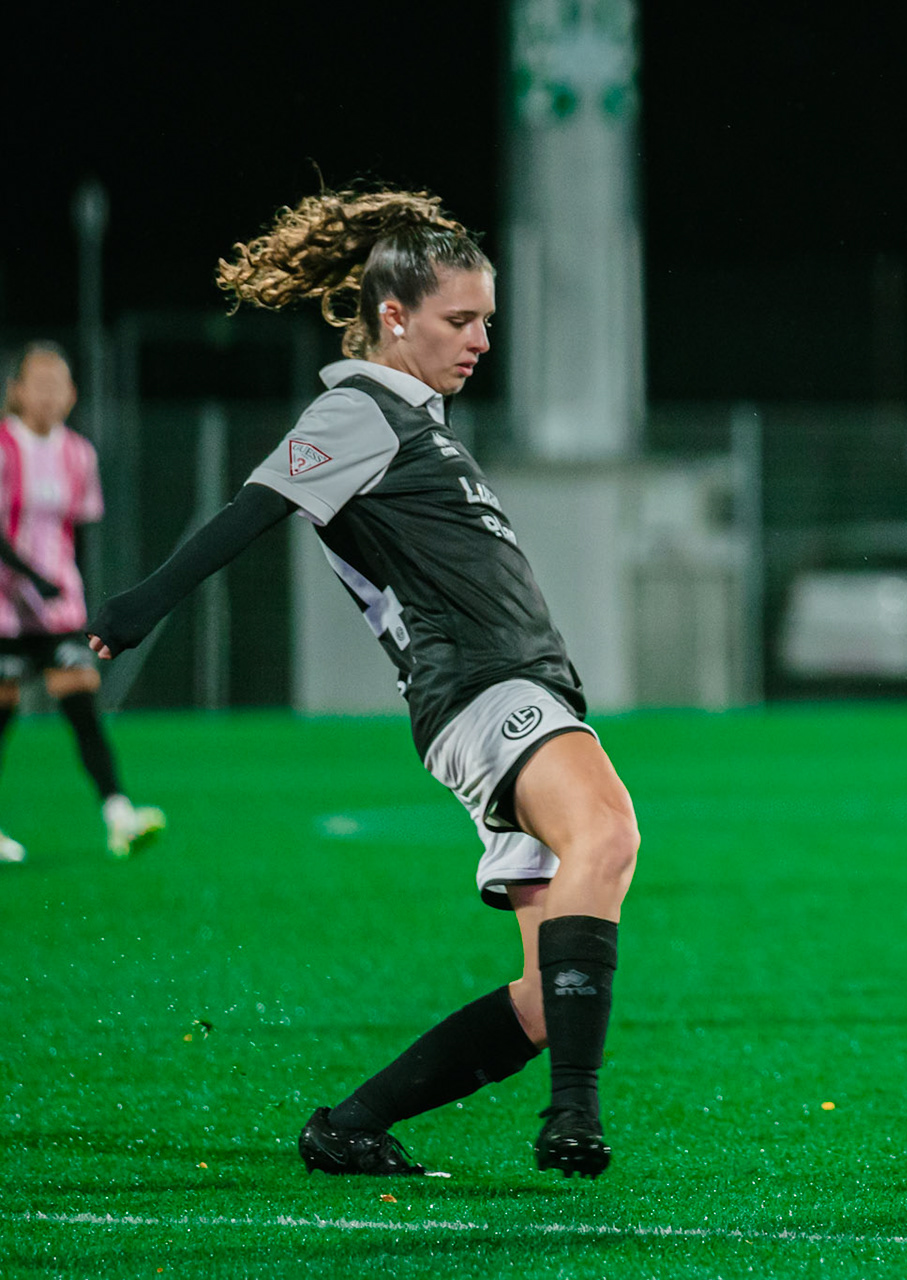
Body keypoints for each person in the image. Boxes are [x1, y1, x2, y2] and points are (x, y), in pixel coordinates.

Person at [86, 188, 639, 1180]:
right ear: (395, 317)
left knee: (540, 994)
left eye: (486, 321)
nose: (479, 341)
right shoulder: (356, 408)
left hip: (509, 692)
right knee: (607, 828)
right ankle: (575, 1111)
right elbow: (253, 509)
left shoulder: (413, 420)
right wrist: (142, 603)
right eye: (459, 320)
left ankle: (350, 1123)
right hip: (482, 688)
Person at [0, 342, 166, 863]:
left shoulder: (79, 454)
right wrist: (32, 579)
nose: (50, 395)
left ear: (71, 394)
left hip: (57, 608)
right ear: (17, 390)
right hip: (4, 606)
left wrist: (71, 591)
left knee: (80, 703)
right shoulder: (3, 447)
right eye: (39, 383)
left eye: (60, 385)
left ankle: (118, 812)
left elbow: (82, 533)